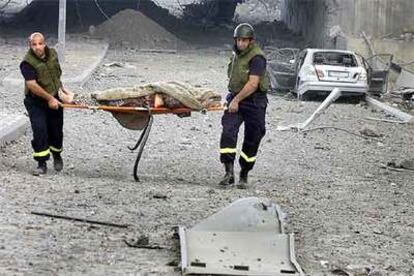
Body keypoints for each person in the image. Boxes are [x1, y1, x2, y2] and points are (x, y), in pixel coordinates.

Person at [219, 23, 270, 189]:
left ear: (251, 41)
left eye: (244, 40)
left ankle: (244, 174)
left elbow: (253, 84)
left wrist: (236, 101)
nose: (241, 43)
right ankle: (228, 172)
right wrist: (233, 99)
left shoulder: (257, 58)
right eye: (238, 40)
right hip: (236, 96)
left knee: (253, 137)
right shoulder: (236, 54)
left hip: (254, 101)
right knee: (228, 131)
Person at [20, 32, 72, 175]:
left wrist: (63, 90)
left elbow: (56, 74)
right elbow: (31, 85)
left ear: (45, 43)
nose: (38, 47)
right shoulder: (27, 63)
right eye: (34, 44)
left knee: (56, 129)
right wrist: (49, 99)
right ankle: (41, 163)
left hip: (55, 98)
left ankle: (57, 155)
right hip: (36, 102)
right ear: (29, 46)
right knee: (39, 130)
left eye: (40, 43)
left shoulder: (53, 54)